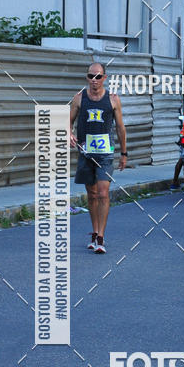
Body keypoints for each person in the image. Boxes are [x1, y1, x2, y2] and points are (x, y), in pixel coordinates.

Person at [69, 61, 127, 254]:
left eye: (98, 76)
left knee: (103, 192)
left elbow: (120, 127)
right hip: (86, 153)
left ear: (105, 78)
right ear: (87, 77)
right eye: (91, 76)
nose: (94, 80)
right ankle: (94, 232)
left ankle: (101, 237)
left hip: (105, 154)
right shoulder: (79, 99)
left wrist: (124, 153)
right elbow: (66, 121)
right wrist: (69, 133)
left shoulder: (112, 99)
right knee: (92, 195)